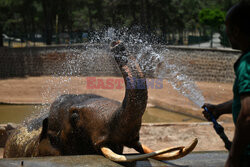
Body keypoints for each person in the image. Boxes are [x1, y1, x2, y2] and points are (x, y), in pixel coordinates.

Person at [202, 1, 250, 167]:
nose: (226, 33)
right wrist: (219, 109)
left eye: (227, 28)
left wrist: (233, 158)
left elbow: (248, 114)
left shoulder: (247, 63)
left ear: (235, 31)